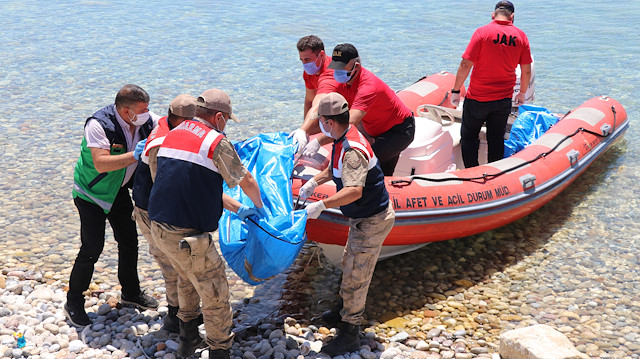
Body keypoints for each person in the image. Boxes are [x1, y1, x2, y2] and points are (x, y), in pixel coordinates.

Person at [148, 89, 265, 359]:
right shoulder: (215, 141)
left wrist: (235, 208)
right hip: (189, 236)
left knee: (187, 280)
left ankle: (187, 340)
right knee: (215, 294)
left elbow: (175, 179)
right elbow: (245, 180)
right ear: (220, 117)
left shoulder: (171, 133)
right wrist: (261, 209)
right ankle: (219, 350)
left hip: (159, 228)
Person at [299, 92, 396, 356]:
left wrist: (321, 205)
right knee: (349, 263)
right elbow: (334, 169)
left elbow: (354, 190)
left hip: (372, 218)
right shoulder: (344, 136)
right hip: (362, 217)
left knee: (356, 274)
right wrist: (314, 182)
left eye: (320, 120)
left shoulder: (353, 150)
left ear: (329, 122)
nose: (319, 125)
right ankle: (344, 312)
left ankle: (351, 331)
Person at [66, 84, 159, 328]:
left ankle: (130, 293)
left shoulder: (146, 120)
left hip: (118, 191)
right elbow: (101, 163)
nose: (147, 114)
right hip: (91, 194)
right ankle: (73, 301)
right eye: (143, 110)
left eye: (148, 109)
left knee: (129, 242)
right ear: (126, 111)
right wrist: (135, 155)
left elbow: (173, 126)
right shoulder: (98, 125)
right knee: (91, 247)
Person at [131, 94, 201, 333]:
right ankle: (178, 318)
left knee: (174, 265)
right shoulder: (162, 142)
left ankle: (180, 313)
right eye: (191, 122)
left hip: (147, 203)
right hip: (151, 210)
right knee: (174, 265)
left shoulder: (165, 125)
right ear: (178, 120)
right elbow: (164, 188)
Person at [300, 43, 415, 176]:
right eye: (335, 67)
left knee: (363, 165)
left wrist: (318, 141)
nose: (337, 72)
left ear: (356, 66)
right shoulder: (342, 82)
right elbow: (322, 104)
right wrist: (303, 131)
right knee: (382, 171)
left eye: (342, 68)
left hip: (398, 131)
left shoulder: (367, 87)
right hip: (373, 129)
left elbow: (346, 124)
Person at [450, 0, 532, 168]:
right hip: (502, 100)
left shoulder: (482, 32)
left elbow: (466, 64)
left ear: (493, 15)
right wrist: (522, 92)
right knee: (496, 139)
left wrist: (456, 90)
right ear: (513, 16)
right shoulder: (521, 36)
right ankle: (494, 175)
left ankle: (472, 172)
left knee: (469, 137)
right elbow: (526, 71)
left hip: (477, 99)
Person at [289, 35, 334, 150]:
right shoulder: (309, 73)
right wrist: (305, 130)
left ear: (322, 55)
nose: (304, 64)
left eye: (307, 59)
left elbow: (318, 104)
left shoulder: (330, 72)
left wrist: (303, 129)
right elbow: (309, 100)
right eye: (302, 60)